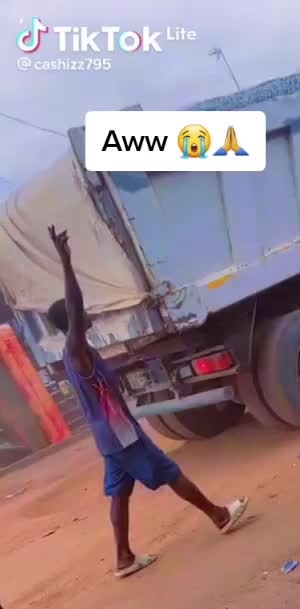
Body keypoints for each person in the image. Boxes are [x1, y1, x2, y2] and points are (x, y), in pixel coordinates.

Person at [47, 225, 248, 578]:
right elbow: (75, 308)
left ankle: (123, 558)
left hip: (108, 438)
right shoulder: (76, 350)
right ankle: (219, 516)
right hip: (120, 434)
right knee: (169, 472)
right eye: (81, 312)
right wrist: (66, 263)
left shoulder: (77, 353)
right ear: (72, 322)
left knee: (119, 493)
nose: (88, 313)